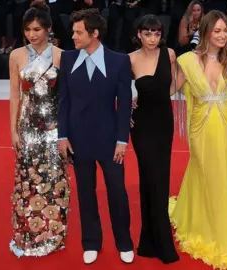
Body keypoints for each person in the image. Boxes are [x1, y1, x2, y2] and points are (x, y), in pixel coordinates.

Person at [169, 10, 227, 269]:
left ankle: (220, 215)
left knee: (224, 171)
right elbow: (172, 89)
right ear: (204, 32)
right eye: (217, 31)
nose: (223, 35)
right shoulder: (187, 61)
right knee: (204, 171)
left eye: (226, 30)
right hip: (200, 125)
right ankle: (203, 220)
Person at [57, 8, 134, 264]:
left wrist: (122, 140)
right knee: (85, 193)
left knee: (117, 192)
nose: (74, 36)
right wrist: (62, 136)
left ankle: (124, 242)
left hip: (110, 141)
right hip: (78, 140)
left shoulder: (119, 61)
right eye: (74, 31)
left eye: (78, 32)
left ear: (95, 33)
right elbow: (63, 101)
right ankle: (91, 241)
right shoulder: (67, 59)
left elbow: (124, 105)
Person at [8, 1, 68, 257]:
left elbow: (66, 97)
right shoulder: (16, 56)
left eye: (36, 29)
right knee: (28, 181)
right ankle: (28, 233)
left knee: (54, 180)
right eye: (27, 30)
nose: (31, 34)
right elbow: (14, 95)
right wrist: (13, 131)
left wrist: (66, 131)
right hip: (28, 126)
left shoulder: (60, 55)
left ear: (48, 29)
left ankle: (53, 234)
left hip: (54, 127)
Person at [128, 14, 179, 264]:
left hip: (163, 124)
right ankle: (157, 241)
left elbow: (173, 86)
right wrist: (127, 108)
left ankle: (152, 241)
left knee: (160, 178)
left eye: (156, 33)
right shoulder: (130, 60)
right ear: (138, 34)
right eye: (147, 33)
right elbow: (116, 90)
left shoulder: (169, 54)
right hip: (142, 126)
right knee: (149, 178)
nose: (152, 38)